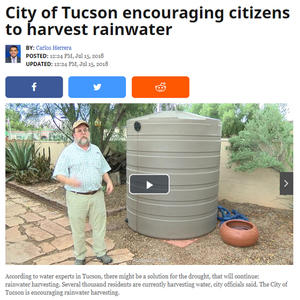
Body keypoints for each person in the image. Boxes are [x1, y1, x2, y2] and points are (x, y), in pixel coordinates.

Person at [53, 120, 114, 265]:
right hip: (76, 197)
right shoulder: (68, 152)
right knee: (78, 228)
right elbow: (58, 174)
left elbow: (103, 168)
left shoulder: (96, 150)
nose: (83, 133)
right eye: (79, 131)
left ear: (89, 133)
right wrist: (69, 181)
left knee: (99, 226)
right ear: (74, 135)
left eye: (85, 130)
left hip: (97, 195)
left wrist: (109, 181)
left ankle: (101, 253)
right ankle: (80, 256)